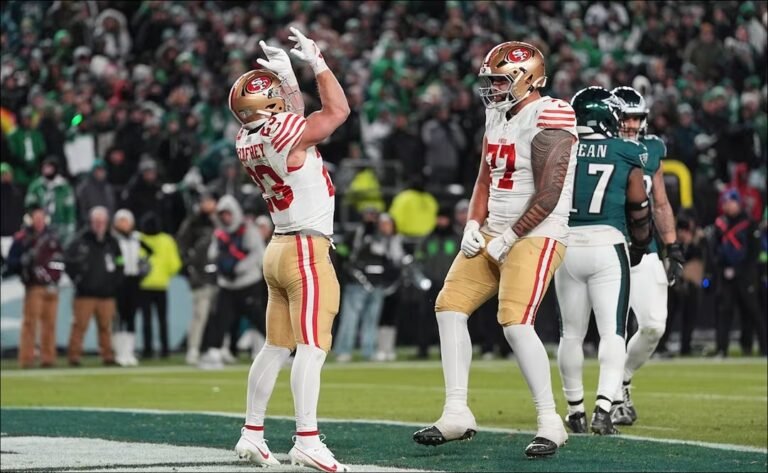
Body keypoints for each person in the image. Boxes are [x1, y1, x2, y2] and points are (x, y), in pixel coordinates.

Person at [413, 42, 577, 458]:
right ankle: (456, 412)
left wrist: (510, 236)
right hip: (494, 228)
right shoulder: (496, 114)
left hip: (538, 232)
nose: (493, 88)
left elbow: (550, 193)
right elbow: (485, 179)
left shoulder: (551, 114)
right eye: (491, 80)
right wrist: (473, 223)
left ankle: (550, 421)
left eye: (501, 80)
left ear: (528, 79)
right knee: (449, 306)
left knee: (515, 321)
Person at [228, 31, 350, 471]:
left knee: (275, 346)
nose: (282, 99)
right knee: (312, 347)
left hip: (278, 248)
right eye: (275, 96)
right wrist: (317, 63)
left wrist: (287, 81)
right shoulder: (283, 132)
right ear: (267, 107)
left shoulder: (246, 137)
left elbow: (293, 123)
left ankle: (252, 432)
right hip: (306, 252)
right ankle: (307, 440)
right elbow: (337, 112)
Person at [554, 87, 653, 436]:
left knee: (570, 334)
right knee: (613, 332)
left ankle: (575, 411)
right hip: (607, 244)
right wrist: (640, 244)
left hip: (566, 245)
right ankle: (603, 410)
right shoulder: (626, 151)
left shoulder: (560, 147)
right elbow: (639, 209)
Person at [609, 87, 684, 426]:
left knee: (653, 324)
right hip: (605, 244)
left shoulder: (651, 149)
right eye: (626, 117)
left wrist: (673, 246)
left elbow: (661, 202)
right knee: (608, 329)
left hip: (645, 247)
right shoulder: (597, 147)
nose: (631, 124)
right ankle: (596, 401)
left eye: (637, 118)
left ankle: (622, 378)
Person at [197, 195, 265, 368]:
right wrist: (221, 264)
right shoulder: (220, 232)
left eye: (228, 213)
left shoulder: (248, 229)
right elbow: (212, 253)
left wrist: (238, 268)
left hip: (249, 283)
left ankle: (287, 351)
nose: (226, 218)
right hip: (227, 284)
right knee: (220, 318)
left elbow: (258, 253)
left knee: (260, 319)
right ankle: (214, 353)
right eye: (222, 214)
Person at [334, 211, 404, 362]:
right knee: (350, 319)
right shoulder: (358, 234)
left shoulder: (388, 240)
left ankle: (369, 350)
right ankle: (344, 350)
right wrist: (350, 273)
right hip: (356, 283)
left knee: (371, 320)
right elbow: (344, 254)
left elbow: (394, 261)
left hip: (377, 284)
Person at [6, 206, 65, 368]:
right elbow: (11, 262)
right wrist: (23, 262)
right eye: (36, 218)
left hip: (52, 286)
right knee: (30, 323)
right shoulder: (22, 238)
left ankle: (48, 358)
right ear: (31, 219)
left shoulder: (53, 238)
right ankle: (26, 359)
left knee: (50, 324)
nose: (39, 221)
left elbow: (61, 261)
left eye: (41, 218)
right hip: (34, 286)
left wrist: (56, 275)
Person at [64, 206, 122, 366]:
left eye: (102, 221)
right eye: (96, 221)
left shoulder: (112, 242)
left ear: (107, 222)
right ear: (90, 222)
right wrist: (78, 279)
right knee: (79, 326)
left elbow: (120, 263)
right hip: (85, 294)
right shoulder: (80, 240)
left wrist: (115, 282)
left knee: (106, 327)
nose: (99, 224)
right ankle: (74, 356)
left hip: (107, 294)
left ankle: (108, 355)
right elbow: (67, 261)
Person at [712, 190, 766, 357]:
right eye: (725, 202)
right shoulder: (720, 224)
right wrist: (722, 267)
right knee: (724, 311)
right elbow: (715, 249)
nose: (727, 205)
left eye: (730, 202)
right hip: (726, 275)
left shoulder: (749, 223)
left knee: (753, 311)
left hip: (746, 275)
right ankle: (722, 349)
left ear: (738, 203)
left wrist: (742, 270)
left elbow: (754, 252)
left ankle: (762, 348)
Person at [176, 191, 218, 365]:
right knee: (200, 315)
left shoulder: (221, 220)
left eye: (210, 200)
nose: (208, 204)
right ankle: (193, 349)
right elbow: (182, 246)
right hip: (201, 276)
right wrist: (190, 268)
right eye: (205, 201)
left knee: (218, 316)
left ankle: (214, 349)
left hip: (220, 276)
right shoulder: (193, 222)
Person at [138, 212, 182, 359]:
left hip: (144, 285)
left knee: (146, 320)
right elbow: (175, 264)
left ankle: (147, 350)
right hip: (161, 285)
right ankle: (165, 350)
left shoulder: (139, 239)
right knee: (162, 320)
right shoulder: (167, 240)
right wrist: (165, 274)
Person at [112, 209, 150, 367]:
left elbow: (149, 253)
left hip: (134, 280)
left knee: (132, 317)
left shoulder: (137, 238)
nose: (124, 224)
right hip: (119, 281)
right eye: (121, 221)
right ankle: (119, 352)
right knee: (119, 317)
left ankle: (129, 351)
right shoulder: (113, 239)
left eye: (126, 221)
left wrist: (144, 266)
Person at [24, 157, 76, 244]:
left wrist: (70, 224)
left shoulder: (64, 187)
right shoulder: (36, 186)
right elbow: (29, 206)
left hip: (60, 223)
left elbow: (70, 207)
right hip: (42, 226)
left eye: (49, 168)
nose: (47, 171)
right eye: (45, 168)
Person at [75, 159, 116, 225]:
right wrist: (90, 220)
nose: (100, 173)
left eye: (102, 170)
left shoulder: (108, 188)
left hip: (106, 223)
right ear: (93, 171)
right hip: (88, 223)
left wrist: (108, 221)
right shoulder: (84, 188)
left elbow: (111, 207)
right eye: (98, 170)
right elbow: (81, 208)